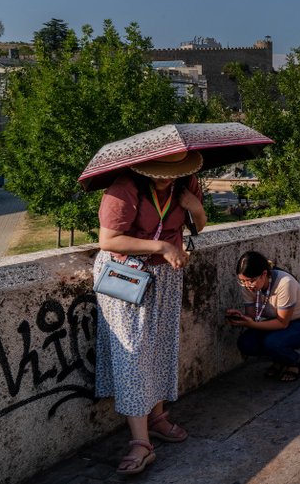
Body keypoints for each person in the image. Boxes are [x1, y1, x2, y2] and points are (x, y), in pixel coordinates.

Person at [93, 151, 207, 475]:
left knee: (160, 348)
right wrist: (162, 247)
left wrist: (194, 207)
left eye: (169, 173)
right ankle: (141, 443)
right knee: (133, 355)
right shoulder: (125, 187)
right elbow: (108, 240)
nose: (163, 179)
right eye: (157, 173)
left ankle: (157, 417)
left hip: (165, 277)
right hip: (126, 277)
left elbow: (199, 225)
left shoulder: (186, 183)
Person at [226, 251, 300, 381]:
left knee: (273, 343)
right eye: (242, 281)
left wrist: (252, 324)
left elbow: (282, 323)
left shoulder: (285, 283)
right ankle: (279, 359)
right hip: (274, 322)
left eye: (251, 281)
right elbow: (252, 317)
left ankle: (293, 362)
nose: (247, 285)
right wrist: (242, 317)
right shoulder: (247, 286)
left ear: (264, 274)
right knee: (246, 343)